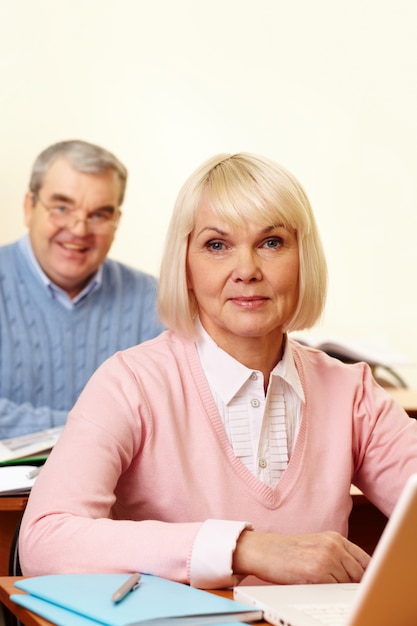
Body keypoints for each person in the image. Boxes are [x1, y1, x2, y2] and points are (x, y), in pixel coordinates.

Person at [19, 152, 417, 588]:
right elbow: (44, 539)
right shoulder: (130, 383)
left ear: (303, 257)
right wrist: (241, 548)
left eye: (271, 243)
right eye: (217, 245)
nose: (246, 270)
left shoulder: (351, 391)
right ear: (185, 265)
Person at [0, 140, 164, 440]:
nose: (79, 230)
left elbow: (170, 418)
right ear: (29, 207)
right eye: (62, 207)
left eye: (99, 214)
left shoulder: (155, 299)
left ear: (116, 221)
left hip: (116, 487)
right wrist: (94, 427)